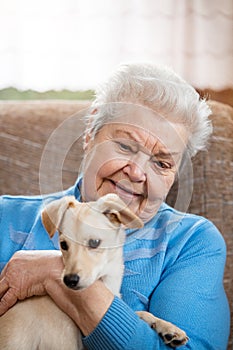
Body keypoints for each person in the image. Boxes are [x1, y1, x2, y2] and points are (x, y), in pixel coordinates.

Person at [0, 62, 230, 349]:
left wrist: (54, 273)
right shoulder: (5, 217)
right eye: (125, 146)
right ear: (89, 134)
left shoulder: (192, 242)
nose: (136, 172)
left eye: (161, 162)